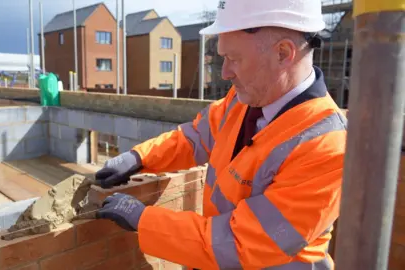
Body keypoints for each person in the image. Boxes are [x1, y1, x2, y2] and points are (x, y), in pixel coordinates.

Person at [91, 0, 348, 269]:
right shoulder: (243, 99)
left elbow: (242, 243)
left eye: (233, 59)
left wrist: (144, 220)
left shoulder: (326, 147)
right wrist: (138, 157)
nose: (225, 73)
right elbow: (193, 138)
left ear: (283, 53)